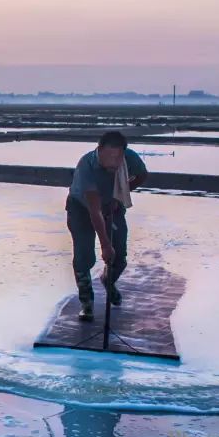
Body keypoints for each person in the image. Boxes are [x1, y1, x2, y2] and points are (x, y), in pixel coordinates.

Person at [66, 131, 148, 321]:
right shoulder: (86, 165)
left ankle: (108, 280)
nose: (114, 162)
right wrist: (104, 245)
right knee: (83, 256)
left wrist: (120, 194)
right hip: (81, 208)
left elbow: (142, 175)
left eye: (118, 157)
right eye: (109, 157)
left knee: (119, 256)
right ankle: (87, 304)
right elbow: (94, 211)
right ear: (99, 150)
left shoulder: (129, 158)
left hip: (112, 205)